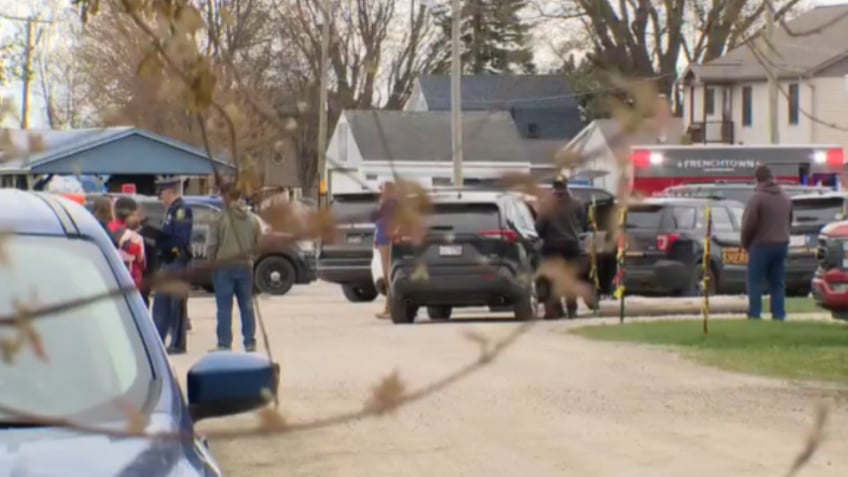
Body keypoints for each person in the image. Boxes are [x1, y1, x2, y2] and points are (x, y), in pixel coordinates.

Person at [207, 182, 262, 352]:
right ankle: (249, 341)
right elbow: (258, 244)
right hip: (245, 266)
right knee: (246, 305)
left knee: (224, 307)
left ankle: (224, 343)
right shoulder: (253, 219)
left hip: (223, 267)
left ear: (225, 197)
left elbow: (212, 245)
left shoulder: (219, 219)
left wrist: (211, 263)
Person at [741, 165, 793, 321]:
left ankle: (755, 314)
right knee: (777, 282)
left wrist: (746, 244)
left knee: (755, 281)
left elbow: (748, 224)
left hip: (761, 245)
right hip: (781, 243)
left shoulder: (757, 197)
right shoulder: (785, 197)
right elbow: (789, 220)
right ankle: (779, 314)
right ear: (772, 177)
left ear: (757, 179)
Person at [151, 177, 194, 354]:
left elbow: (181, 238)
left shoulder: (181, 210)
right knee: (161, 303)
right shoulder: (171, 210)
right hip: (167, 262)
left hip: (177, 261)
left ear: (171, 193)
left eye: (162, 194)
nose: (161, 198)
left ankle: (177, 343)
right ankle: (158, 340)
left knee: (176, 305)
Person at [535, 175, 586, 319]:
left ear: (553, 187)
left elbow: (539, 228)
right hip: (572, 246)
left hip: (552, 247)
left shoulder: (546, 205)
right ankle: (572, 310)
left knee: (552, 280)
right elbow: (582, 223)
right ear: (566, 186)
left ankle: (554, 311)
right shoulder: (577, 204)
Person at [107, 196, 146, 291]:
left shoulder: (109, 227)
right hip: (131, 274)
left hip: (110, 273)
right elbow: (140, 259)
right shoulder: (134, 233)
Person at [371, 181, 397, 320]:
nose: (380, 193)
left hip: (387, 242)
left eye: (382, 190)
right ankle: (390, 306)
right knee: (386, 274)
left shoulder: (390, 204)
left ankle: (390, 307)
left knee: (388, 275)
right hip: (382, 241)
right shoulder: (386, 204)